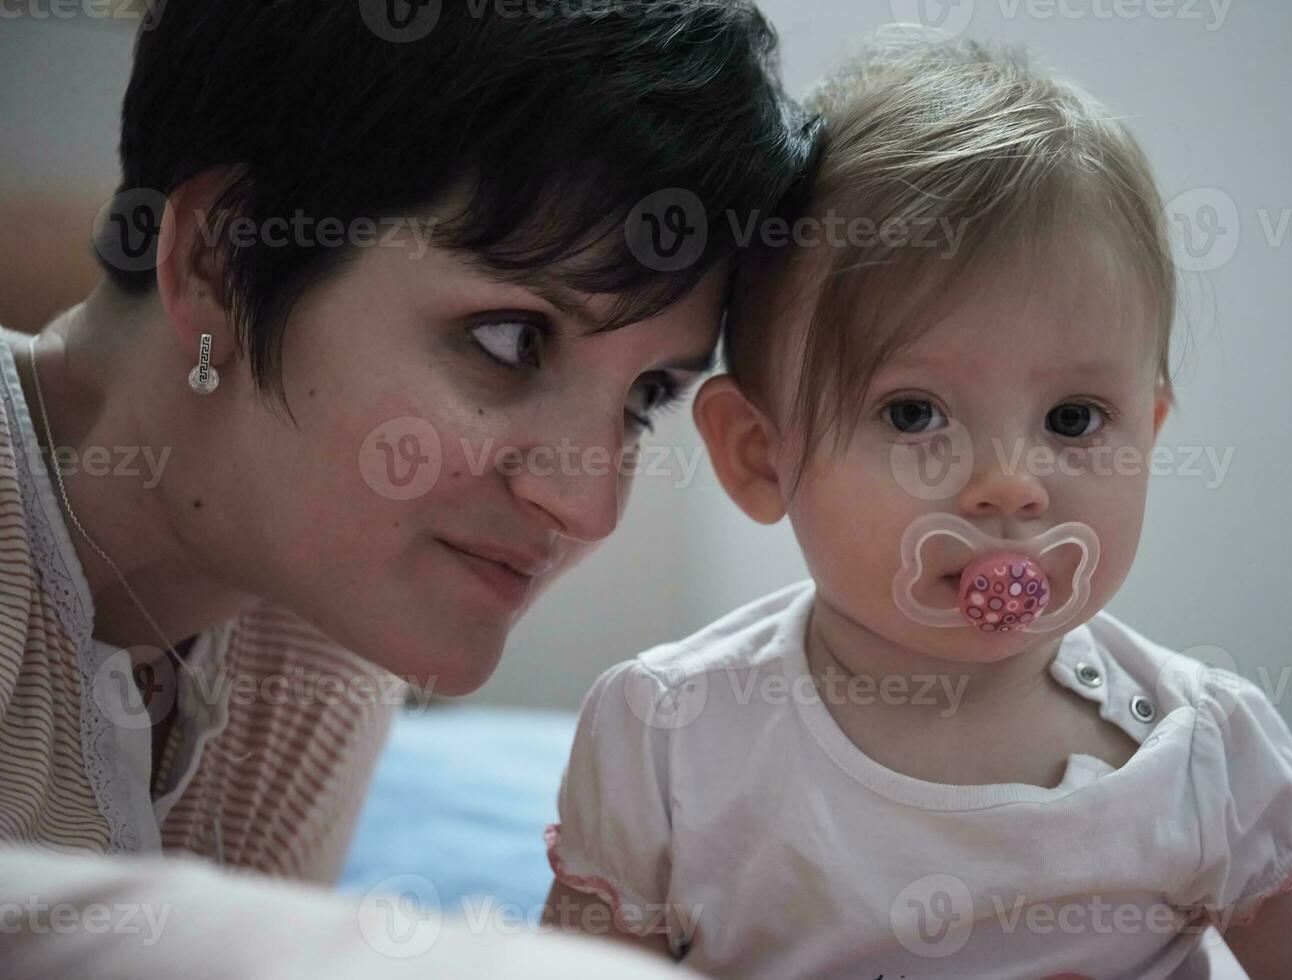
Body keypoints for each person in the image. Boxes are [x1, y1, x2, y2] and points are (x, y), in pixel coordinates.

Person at [541, 32, 1292, 979]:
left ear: (1150, 433)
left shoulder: (1205, 753)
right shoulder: (668, 735)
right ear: (761, 455)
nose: (1010, 480)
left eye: (1074, 417)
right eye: (914, 412)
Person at [0, 0, 814, 975]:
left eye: (643, 398)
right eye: (509, 339)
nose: (587, 505)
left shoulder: (314, 640)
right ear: (222, 252)